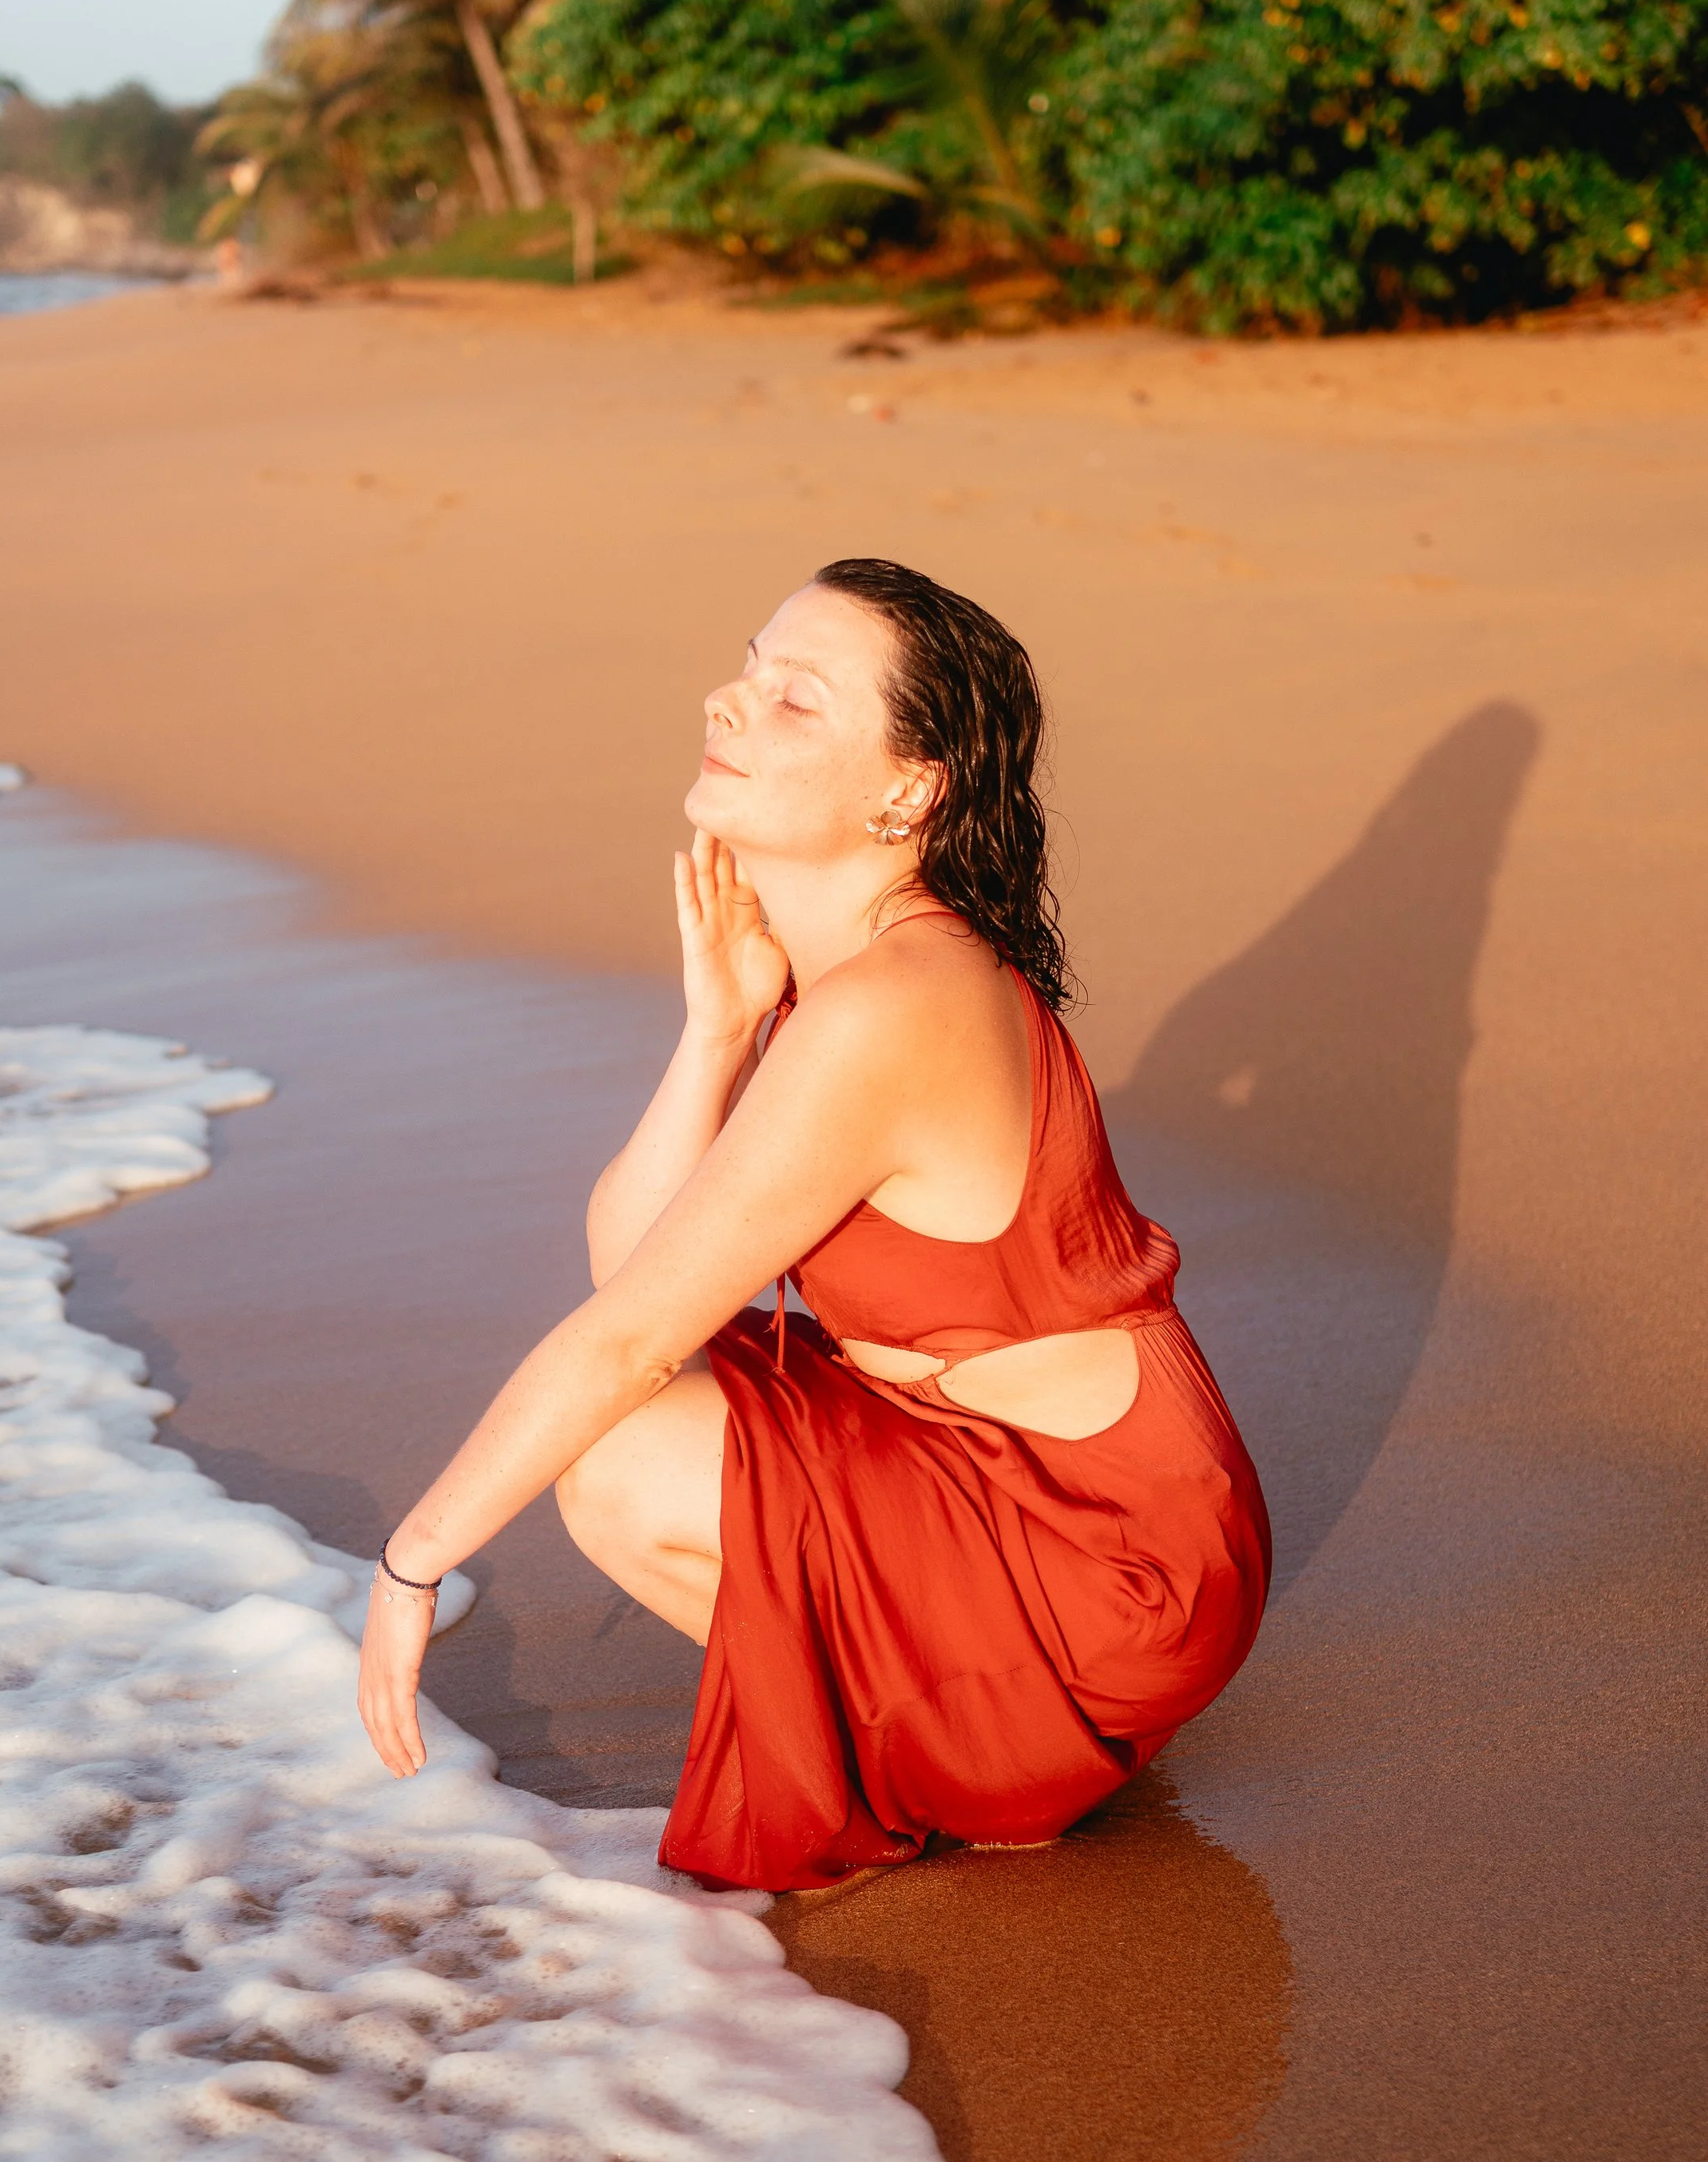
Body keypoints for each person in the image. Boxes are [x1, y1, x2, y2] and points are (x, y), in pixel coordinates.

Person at [359, 557, 1269, 1894]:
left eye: (797, 701)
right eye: (749, 666)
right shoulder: (839, 981)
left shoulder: (893, 1004)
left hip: (1107, 1562)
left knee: (613, 1451)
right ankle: (942, 1737)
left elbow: (622, 1343)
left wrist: (410, 1564)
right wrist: (717, 1026)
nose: (730, 702)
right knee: (624, 1429)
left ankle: (969, 1760)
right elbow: (635, 1270)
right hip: (979, 1469)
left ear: (906, 791)